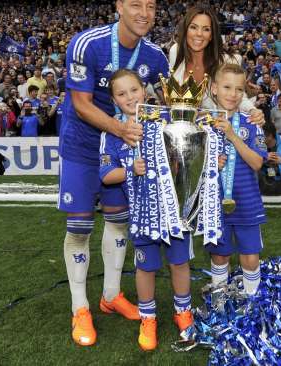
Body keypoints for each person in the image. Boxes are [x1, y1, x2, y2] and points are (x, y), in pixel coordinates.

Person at [58, 0, 168, 347]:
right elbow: (81, 103)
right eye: (135, 4)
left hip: (123, 148)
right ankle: (80, 308)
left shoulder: (156, 57)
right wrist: (121, 132)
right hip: (82, 144)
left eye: (151, 6)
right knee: (79, 225)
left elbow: (166, 106)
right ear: (119, 5)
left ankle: (111, 295)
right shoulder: (87, 44)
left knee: (119, 221)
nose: (144, 13)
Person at [99, 69, 192, 351]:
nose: (129, 97)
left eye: (134, 90)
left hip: (175, 211)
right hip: (141, 215)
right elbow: (105, 174)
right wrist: (130, 169)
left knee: (179, 262)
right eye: (121, 93)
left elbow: (187, 149)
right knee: (145, 267)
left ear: (144, 89)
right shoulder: (112, 132)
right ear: (114, 100)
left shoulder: (166, 119)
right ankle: (148, 318)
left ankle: (183, 313)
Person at [209, 64, 268, 300]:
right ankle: (220, 301)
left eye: (239, 89)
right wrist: (211, 164)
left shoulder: (252, 122)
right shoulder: (202, 122)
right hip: (213, 201)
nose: (232, 94)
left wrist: (233, 136)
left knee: (250, 257)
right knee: (219, 255)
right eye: (226, 87)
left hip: (247, 200)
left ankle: (252, 303)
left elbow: (257, 163)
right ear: (214, 89)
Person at [168, 5, 264, 125]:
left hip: (216, 130)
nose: (199, 34)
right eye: (193, 27)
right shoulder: (175, 52)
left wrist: (253, 110)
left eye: (206, 29)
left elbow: (238, 95)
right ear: (186, 30)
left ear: (212, 35)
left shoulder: (228, 61)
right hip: (180, 128)